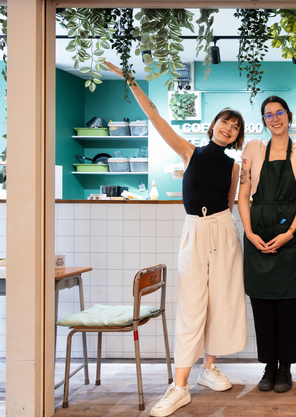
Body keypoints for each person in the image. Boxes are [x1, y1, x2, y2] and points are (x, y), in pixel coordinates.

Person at [105, 62, 248, 417]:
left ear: (237, 137)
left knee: (221, 301)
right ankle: (179, 386)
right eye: (225, 121)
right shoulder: (189, 151)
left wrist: (226, 230)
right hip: (194, 230)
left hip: (223, 229)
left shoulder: (235, 167)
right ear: (213, 125)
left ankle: (208, 368)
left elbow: (230, 203)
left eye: (235, 127)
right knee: (192, 304)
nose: (229, 128)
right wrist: (130, 81)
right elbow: (154, 115)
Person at [238, 96, 296, 393]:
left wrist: (290, 232)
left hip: (289, 233)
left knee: (288, 306)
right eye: (268, 114)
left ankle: (285, 368)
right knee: (261, 304)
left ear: (289, 115)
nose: (275, 118)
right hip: (256, 231)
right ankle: (268, 366)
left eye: (279, 112)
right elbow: (243, 194)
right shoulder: (253, 148)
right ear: (263, 120)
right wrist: (249, 232)